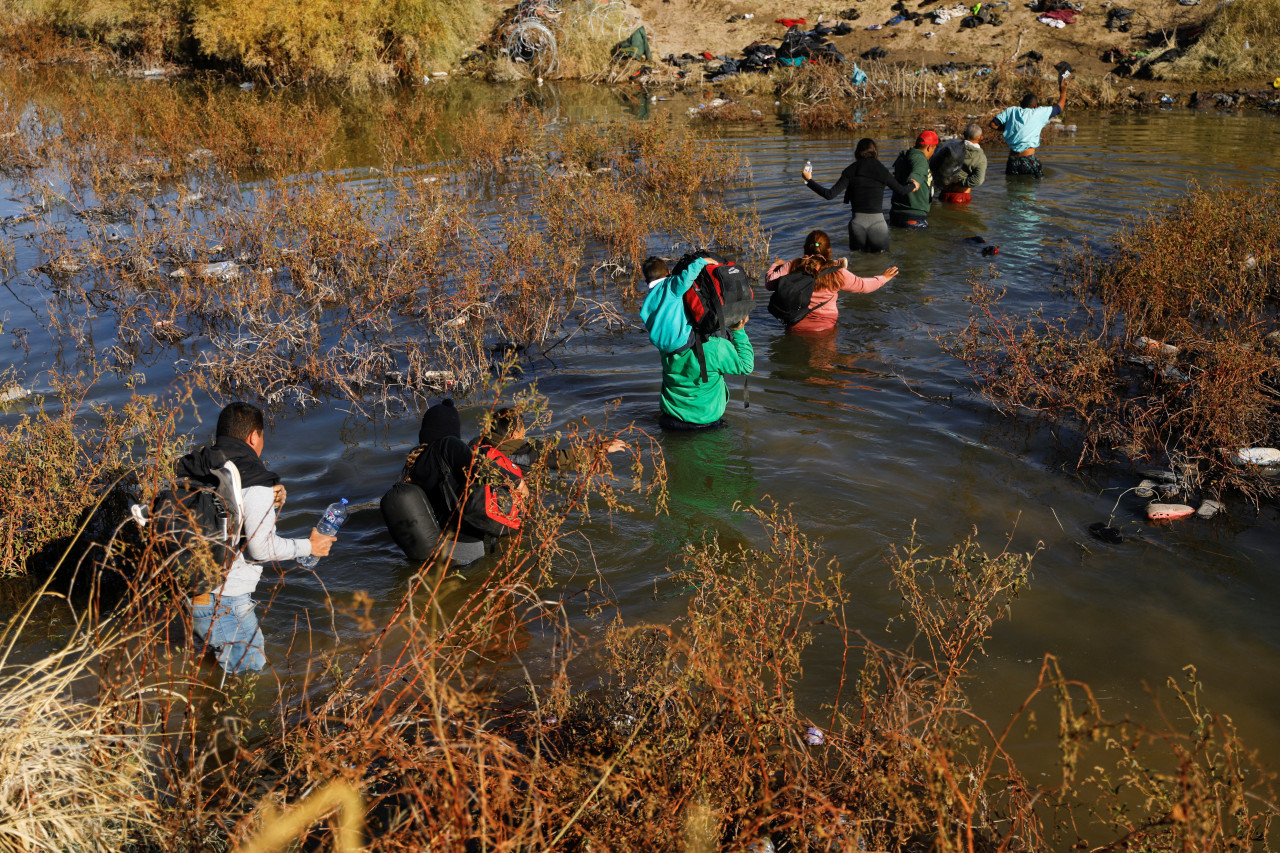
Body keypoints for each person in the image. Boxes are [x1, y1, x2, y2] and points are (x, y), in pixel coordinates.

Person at [190, 402, 335, 675]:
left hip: (193, 590)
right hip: (226, 601)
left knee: (214, 670)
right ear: (254, 437)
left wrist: (268, 496)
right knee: (251, 678)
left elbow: (226, 513)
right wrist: (310, 546)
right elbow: (259, 548)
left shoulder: (203, 466)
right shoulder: (253, 479)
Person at [766, 230, 899, 334]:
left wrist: (776, 265)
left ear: (805, 248)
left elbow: (770, 284)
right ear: (829, 250)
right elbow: (863, 286)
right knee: (825, 366)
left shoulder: (792, 265)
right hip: (825, 328)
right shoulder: (837, 273)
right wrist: (883, 278)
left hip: (795, 324)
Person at [802, 137, 920, 253]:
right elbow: (901, 190)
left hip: (857, 226)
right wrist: (913, 186)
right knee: (882, 263)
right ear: (875, 152)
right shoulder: (882, 170)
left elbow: (829, 194)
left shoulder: (850, 170)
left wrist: (809, 181)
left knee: (857, 265)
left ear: (857, 153)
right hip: (878, 225)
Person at [660, 315, 754, 430]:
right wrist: (738, 330)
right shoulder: (716, 347)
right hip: (706, 424)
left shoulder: (666, 342)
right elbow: (746, 365)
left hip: (669, 420)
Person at [475, 407, 627, 471]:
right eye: (522, 428)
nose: (524, 432)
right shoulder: (527, 455)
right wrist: (601, 449)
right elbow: (565, 459)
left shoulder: (476, 445)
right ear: (514, 433)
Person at [989, 73, 1069, 178]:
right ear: (1035, 106)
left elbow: (993, 124)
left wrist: (1009, 129)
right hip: (1028, 160)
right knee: (1031, 191)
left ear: (1021, 104)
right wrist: (1063, 92)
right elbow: (1059, 108)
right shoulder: (1039, 112)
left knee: (1012, 190)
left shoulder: (1011, 110)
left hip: (1012, 161)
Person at [889, 131, 937, 228]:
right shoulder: (920, 159)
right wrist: (914, 181)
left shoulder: (904, 156)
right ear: (929, 148)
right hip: (913, 216)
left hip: (895, 213)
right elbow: (917, 172)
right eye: (934, 149)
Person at [930, 123, 988, 203]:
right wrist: (960, 182)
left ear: (964, 134)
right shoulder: (980, 158)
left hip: (944, 193)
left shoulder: (951, 147)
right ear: (980, 138)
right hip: (961, 196)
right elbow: (978, 180)